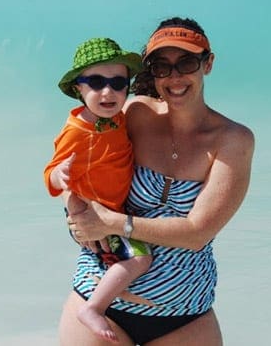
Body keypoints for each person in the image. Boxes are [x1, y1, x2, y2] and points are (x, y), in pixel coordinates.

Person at [56, 17, 255, 345]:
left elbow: (197, 233)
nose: (174, 76)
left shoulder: (233, 140)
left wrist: (112, 222)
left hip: (183, 314)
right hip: (99, 301)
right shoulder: (135, 114)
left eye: (187, 62)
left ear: (208, 64)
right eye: (162, 66)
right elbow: (77, 160)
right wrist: (75, 213)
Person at [44, 37, 153, 343]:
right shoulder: (76, 131)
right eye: (96, 82)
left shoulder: (116, 118)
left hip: (113, 210)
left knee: (116, 256)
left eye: (118, 82)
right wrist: (60, 177)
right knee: (141, 259)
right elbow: (49, 172)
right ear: (79, 89)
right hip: (97, 214)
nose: (108, 92)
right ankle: (94, 307)